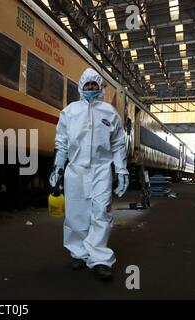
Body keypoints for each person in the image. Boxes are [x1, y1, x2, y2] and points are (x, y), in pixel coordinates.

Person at [49, 68, 129, 280]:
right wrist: (57, 167)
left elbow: (118, 144)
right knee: (76, 213)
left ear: (99, 88)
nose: (91, 89)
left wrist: (121, 170)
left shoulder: (109, 113)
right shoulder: (69, 112)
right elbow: (62, 143)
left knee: (101, 212)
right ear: (81, 87)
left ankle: (100, 259)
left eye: (95, 85)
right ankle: (78, 253)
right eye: (87, 85)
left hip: (101, 170)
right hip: (75, 170)